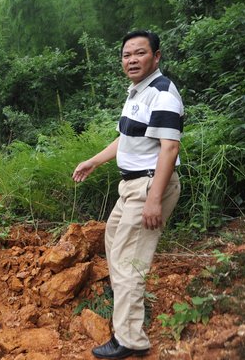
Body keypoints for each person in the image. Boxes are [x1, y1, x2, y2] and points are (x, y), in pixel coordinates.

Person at [72, 30, 183, 359]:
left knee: (129, 262)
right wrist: (94, 161)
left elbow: (170, 147)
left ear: (156, 56)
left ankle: (131, 339)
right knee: (115, 247)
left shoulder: (162, 93)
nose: (132, 60)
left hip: (149, 186)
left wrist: (153, 198)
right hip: (131, 186)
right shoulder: (138, 91)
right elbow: (127, 138)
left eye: (139, 53)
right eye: (126, 55)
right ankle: (126, 321)